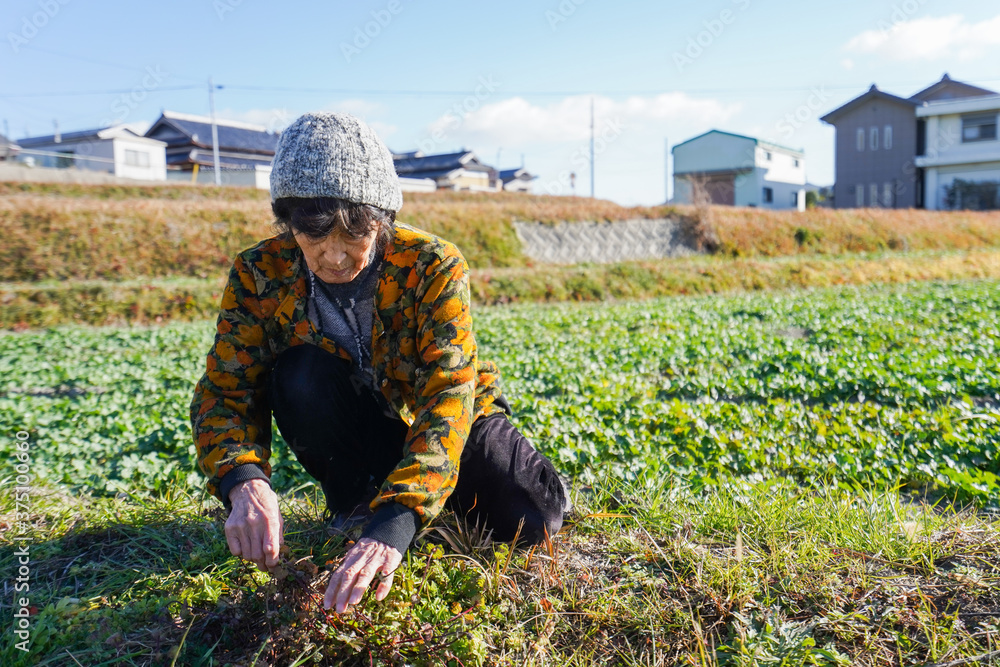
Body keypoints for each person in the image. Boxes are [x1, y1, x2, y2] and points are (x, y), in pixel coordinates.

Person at [190, 112, 567, 614]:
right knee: (299, 374)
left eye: (354, 238)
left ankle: (427, 503)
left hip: (444, 422)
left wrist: (396, 524)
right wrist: (243, 481)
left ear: (382, 220)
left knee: (530, 521)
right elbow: (225, 391)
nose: (336, 259)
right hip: (364, 426)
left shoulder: (432, 264)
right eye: (314, 240)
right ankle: (353, 503)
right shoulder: (260, 272)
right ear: (288, 227)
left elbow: (447, 396)